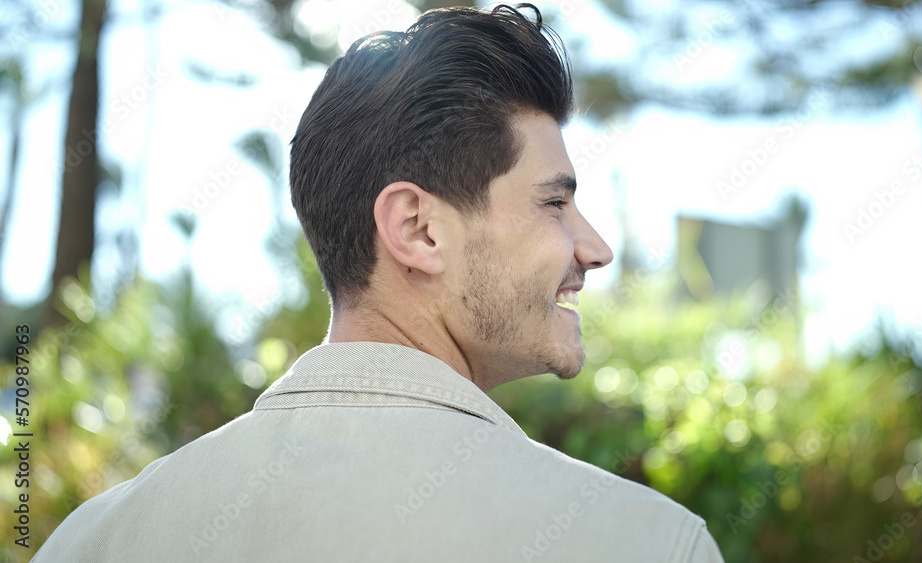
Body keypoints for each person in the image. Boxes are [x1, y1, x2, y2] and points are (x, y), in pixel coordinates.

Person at [33, 4, 723, 561]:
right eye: (554, 202)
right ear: (418, 229)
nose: (596, 249)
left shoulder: (93, 539)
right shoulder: (643, 542)